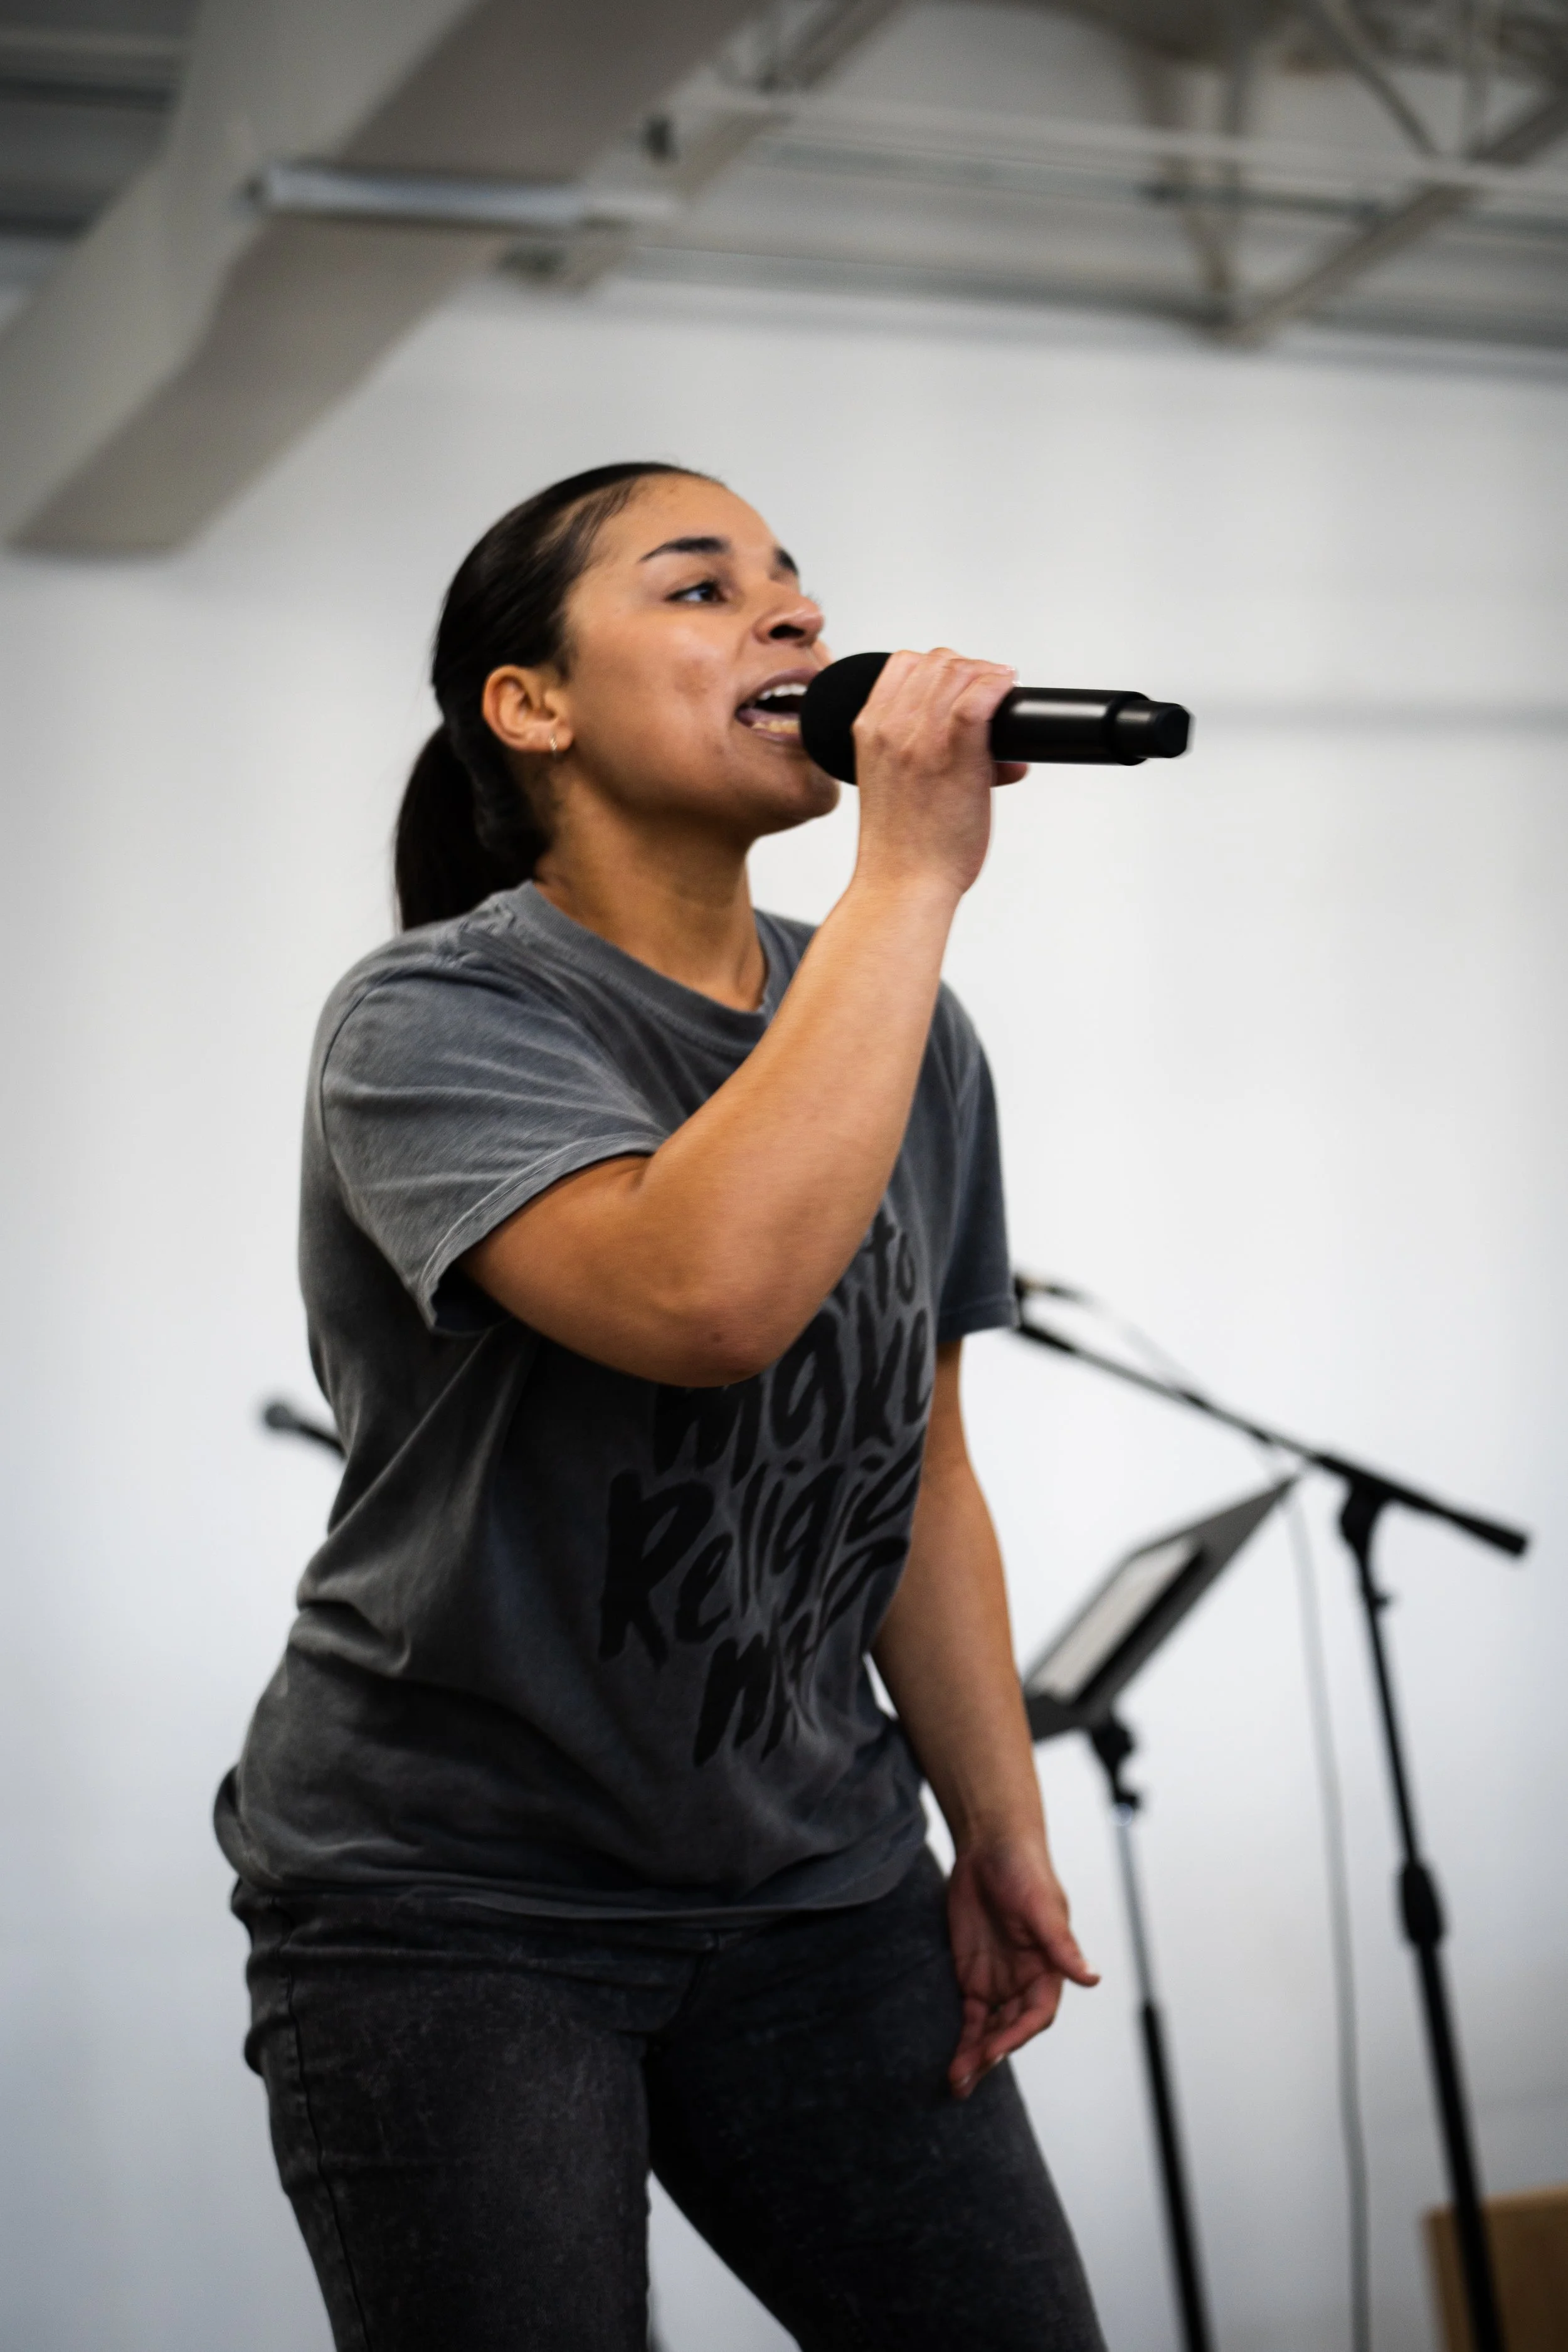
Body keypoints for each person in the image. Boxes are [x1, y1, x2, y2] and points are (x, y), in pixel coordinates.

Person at [217, 460, 1106, 2352]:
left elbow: (913, 1464)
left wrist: (996, 1824)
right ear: (527, 708)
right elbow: (700, 1298)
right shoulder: (433, 1019)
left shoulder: (904, 1029)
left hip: (818, 1877)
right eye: (701, 589)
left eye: (794, 579)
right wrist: (912, 871)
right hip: (456, 1908)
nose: (790, 613)